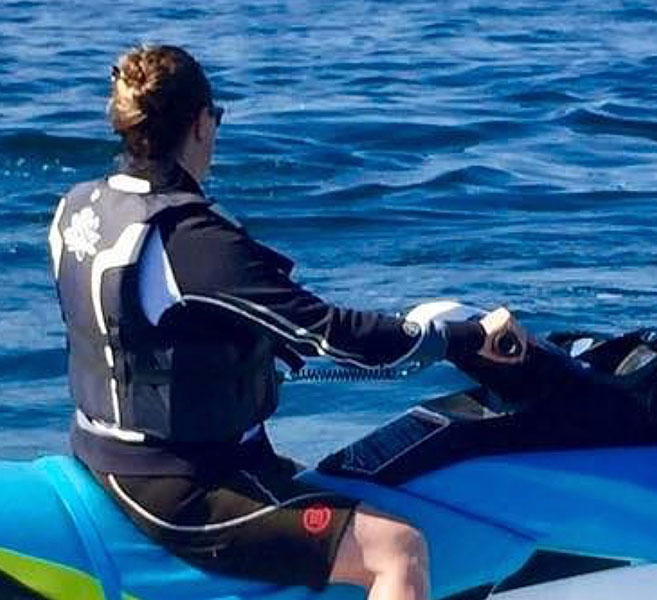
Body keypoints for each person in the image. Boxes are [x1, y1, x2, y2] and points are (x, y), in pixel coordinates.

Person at [46, 44, 526, 600]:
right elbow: (329, 333)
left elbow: (145, 334)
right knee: (398, 550)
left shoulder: (77, 208)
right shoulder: (194, 243)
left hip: (103, 452)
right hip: (182, 487)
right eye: (216, 119)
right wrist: (461, 339)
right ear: (201, 124)